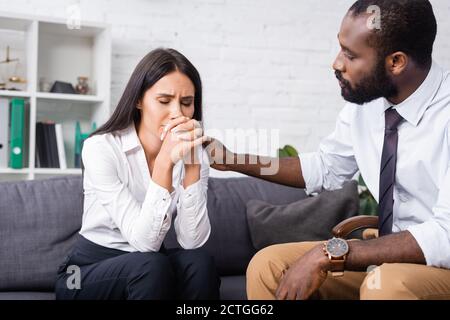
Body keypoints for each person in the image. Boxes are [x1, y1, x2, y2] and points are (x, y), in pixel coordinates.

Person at [206, 0, 450, 300]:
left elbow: (445, 236)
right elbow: (325, 167)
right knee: (270, 266)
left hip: (441, 266)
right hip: (388, 257)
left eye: (350, 55)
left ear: (396, 62)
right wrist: (231, 160)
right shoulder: (369, 105)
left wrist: (332, 252)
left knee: (386, 285)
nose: (336, 63)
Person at [55, 48, 220, 300]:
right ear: (139, 100)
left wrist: (193, 165)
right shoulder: (101, 148)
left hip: (151, 264)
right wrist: (165, 163)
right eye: (164, 101)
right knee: (150, 265)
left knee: (200, 262)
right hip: (84, 271)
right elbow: (144, 244)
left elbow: (192, 242)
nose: (178, 113)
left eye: (186, 103)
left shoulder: (194, 155)